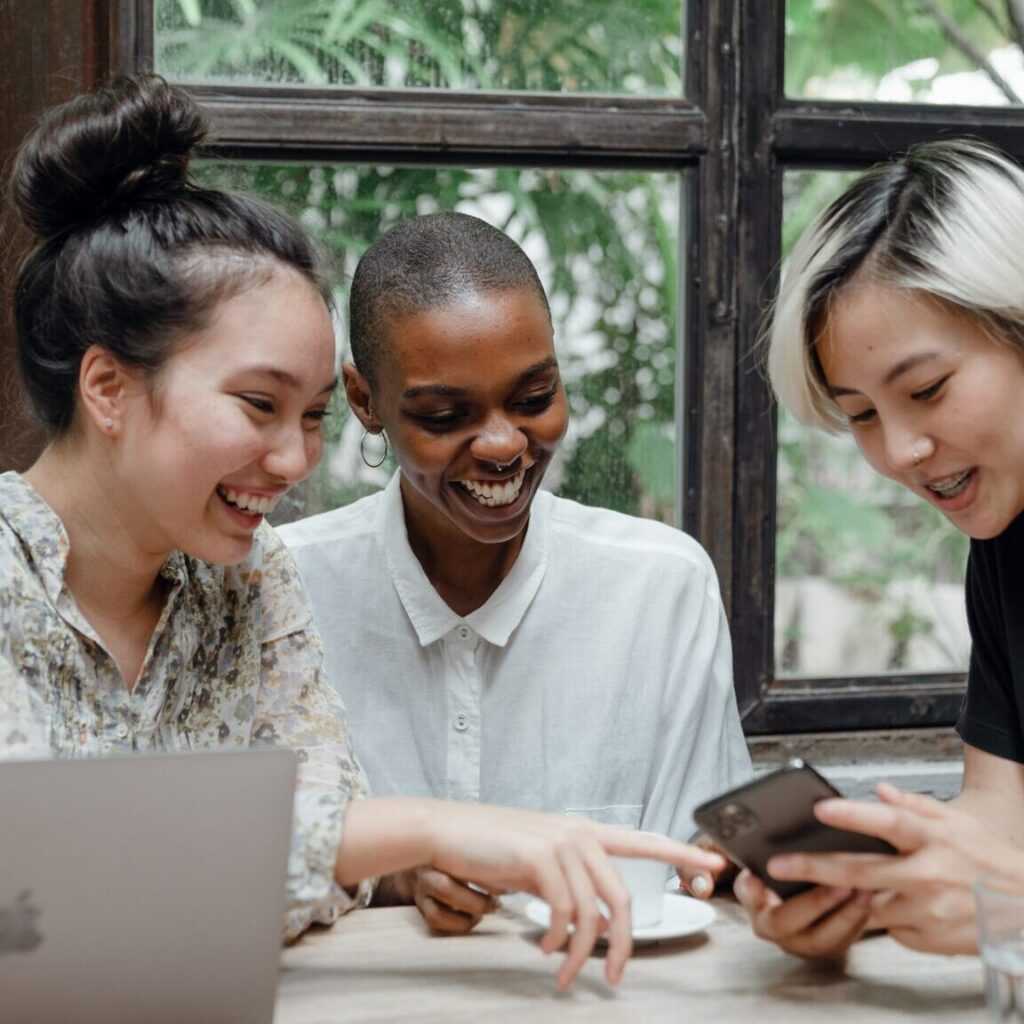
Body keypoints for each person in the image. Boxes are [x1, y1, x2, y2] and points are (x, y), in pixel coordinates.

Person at [0, 73, 726, 990]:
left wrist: (343, 855)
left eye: (309, 418)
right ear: (106, 387)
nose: (296, 460)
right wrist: (423, 830)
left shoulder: (247, 579)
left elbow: (320, 849)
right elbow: (38, 892)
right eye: (260, 404)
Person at [279, 212, 751, 935]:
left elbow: (703, 870)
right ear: (365, 401)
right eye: (444, 414)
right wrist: (395, 870)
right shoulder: (286, 592)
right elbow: (229, 864)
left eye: (534, 400)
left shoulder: (660, 589)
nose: (503, 445)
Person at [740, 138, 1024, 959]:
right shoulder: (1003, 543)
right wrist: (868, 884)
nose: (898, 453)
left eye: (927, 389)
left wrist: (1010, 906)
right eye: (861, 413)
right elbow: (1000, 812)